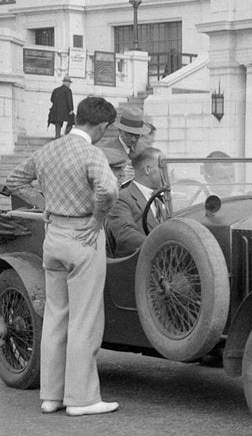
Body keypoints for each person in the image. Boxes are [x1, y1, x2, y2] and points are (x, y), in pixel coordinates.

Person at [5, 96, 120, 416]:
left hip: (53, 236)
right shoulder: (91, 153)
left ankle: (51, 396)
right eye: (105, 128)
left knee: (56, 317)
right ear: (100, 125)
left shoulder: (48, 150)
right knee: (84, 320)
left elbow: (13, 181)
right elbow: (109, 190)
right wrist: (97, 218)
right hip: (84, 237)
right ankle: (82, 399)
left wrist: (44, 203)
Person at [107, 147, 167, 258]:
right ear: (147, 169)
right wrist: (162, 249)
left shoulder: (162, 198)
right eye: (162, 168)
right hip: (137, 264)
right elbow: (125, 235)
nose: (166, 173)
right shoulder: (122, 198)